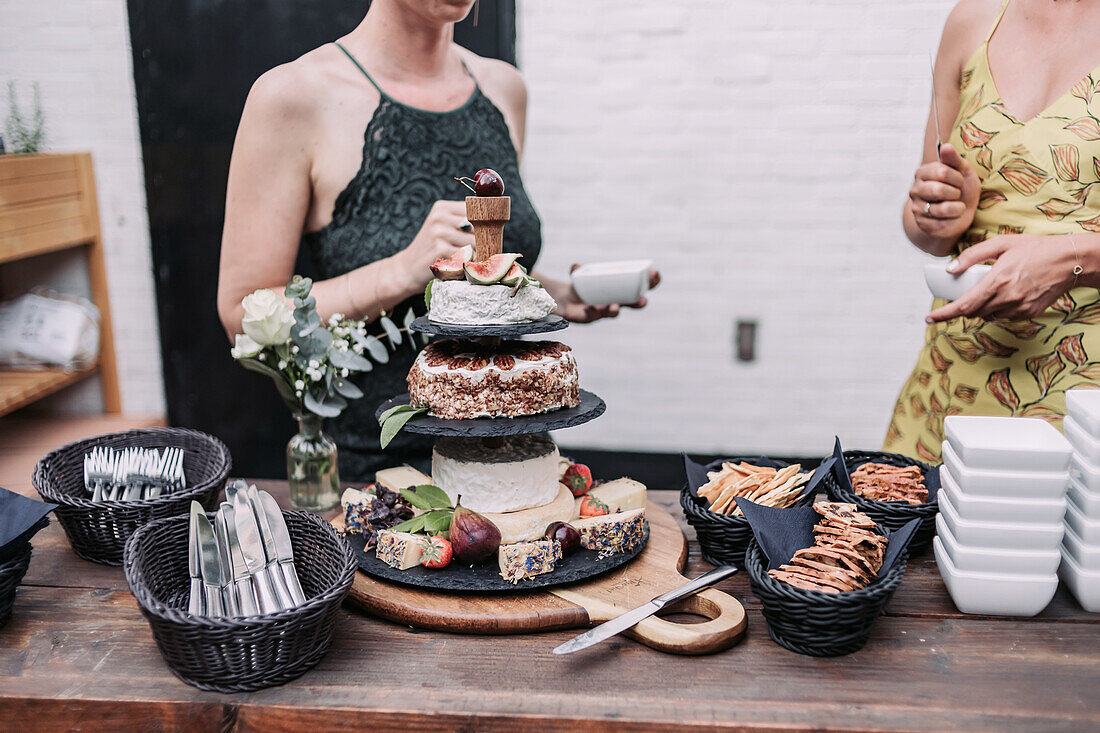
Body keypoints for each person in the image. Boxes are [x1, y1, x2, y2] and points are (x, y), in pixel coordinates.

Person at [217, 0, 655, 480]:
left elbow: (471, 264)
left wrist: (554, 294)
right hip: (377, 474)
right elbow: (242, 313)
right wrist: (399, 272)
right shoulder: (291, 96)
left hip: (514, 451)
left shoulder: (503, 87)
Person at [886, 0, 1100, 462]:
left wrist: (1071, 259)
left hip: (1085, 410)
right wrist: (938, 214)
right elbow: (925, 225)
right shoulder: (974, 19)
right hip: (949, 391)